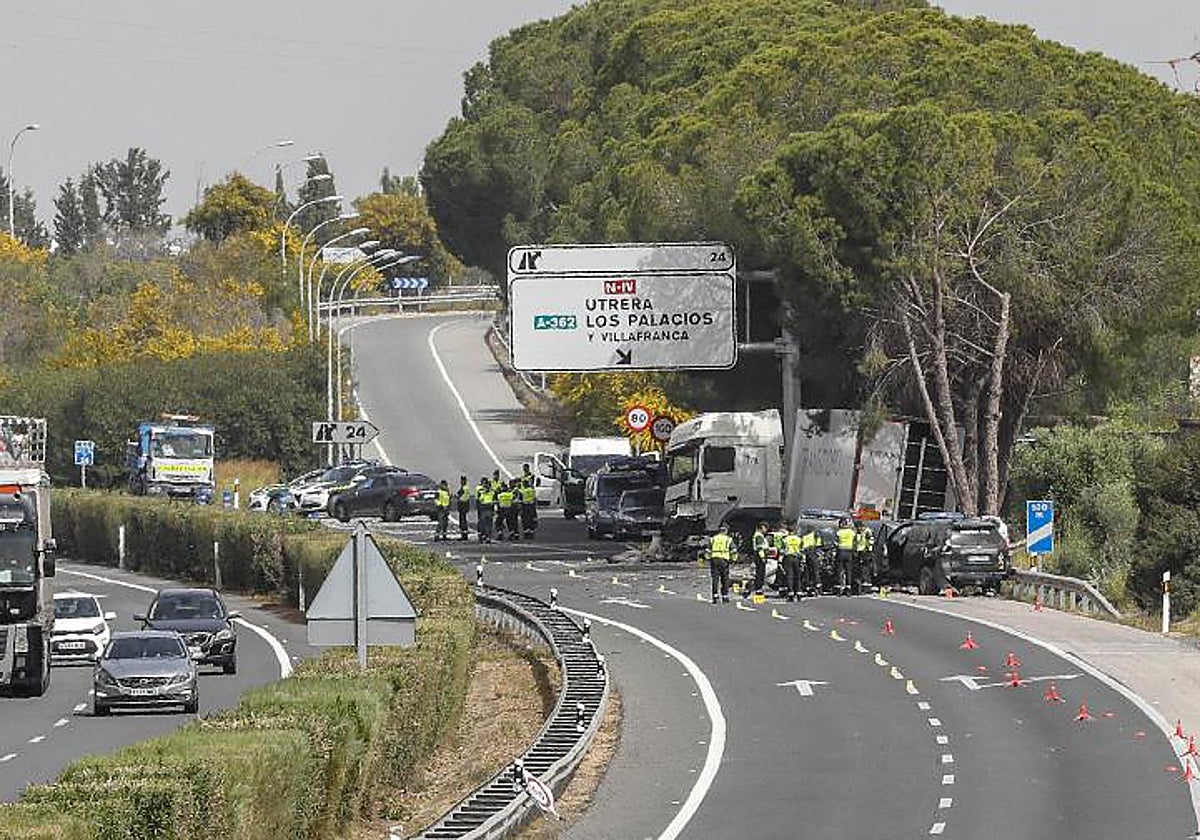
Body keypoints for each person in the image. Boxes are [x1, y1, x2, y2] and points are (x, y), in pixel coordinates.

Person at [707, 523, 735, 604]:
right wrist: (733, 559)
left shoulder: (713, 539)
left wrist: (708, 558)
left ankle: (715, 596)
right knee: (725, 579)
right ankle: (725, 596)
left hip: (714, 559)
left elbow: (708, 551)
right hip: (724, 560)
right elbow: (733, 550)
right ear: (725, 531)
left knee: (715, 579)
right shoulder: (728, 539)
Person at [835, 518, 857, 596]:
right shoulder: (851, 532)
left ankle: (839, 589)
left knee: (839, 571)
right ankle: (848, 589)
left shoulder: (839, 532)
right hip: (849, 552)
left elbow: (836, 542)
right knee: (848, 571)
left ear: (841, 524)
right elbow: (855, 540)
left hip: (841, 551)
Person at [782, 524, 804, 602]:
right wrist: (803, 560)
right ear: (795, 531)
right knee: (798, 576)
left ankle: (790, 593)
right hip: (797, 557)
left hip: (788, 557)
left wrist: (780, 560)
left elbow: (782, 550)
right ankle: (799, 593)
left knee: (789, 576)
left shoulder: (785, 539)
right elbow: (802, 549)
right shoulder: (799, 539)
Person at [853, 521, 874, 596]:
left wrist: (868, 551)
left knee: (865, 570)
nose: (858, 529)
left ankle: (866, 587)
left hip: (865, 552)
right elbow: (856, 542)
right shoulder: (858, 532)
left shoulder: (867, 532)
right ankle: (860, 587)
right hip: (859, 552)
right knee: (859, 570)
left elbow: (870, 542)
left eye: (859, 528)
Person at [750, 521, 770, 597]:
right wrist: (763, 557)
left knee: (760, 572)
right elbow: (760, 548)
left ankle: (759, 588)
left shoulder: (759, 535)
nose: (766, 530)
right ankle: (759, 589)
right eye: (765, 528)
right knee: (760, 573)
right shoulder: (759, 536)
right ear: (762, 527)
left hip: (759, 556)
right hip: (760, 556)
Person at [800, 524, 821, 595]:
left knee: (808, 571)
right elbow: (818, 545)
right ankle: (816, 587)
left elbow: (801, 546)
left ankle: (809, 586)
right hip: (812, 553)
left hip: (807, 554)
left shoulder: (804, 536)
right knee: (814, 571)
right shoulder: (815, 535)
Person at [476, 477, 495, 543]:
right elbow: (478, 501)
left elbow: (494, 501)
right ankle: (484, 535)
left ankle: (487, 536)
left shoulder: (491, 492)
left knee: (488, 524)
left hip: (488, 508)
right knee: (483, 524)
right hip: (483, 509)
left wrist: (493, 510)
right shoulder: (481, 492)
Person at [519, 470, 538, 538]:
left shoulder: (523, 491)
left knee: (525, 519)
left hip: (525, 506)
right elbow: (535, 498)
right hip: (531, 505)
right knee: (531, 518)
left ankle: (526, 531)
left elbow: (520, 498)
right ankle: (531, 531)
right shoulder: (532, 490)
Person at [456, 476, 473, 542]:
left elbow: (459, 495)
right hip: (465, 505)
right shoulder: (466, 488)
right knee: (464, 520)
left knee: (462, 521)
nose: (461, 482)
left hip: (463, 505)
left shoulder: (464, 488)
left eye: (462, 481)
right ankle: (464, 534)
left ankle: (464, 535)